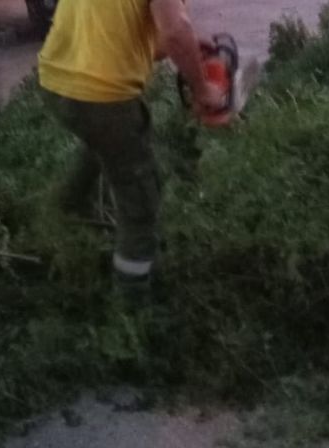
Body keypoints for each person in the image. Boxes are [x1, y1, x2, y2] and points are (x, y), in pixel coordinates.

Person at [38, 0, 224, 297]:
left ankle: (68, 211)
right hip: (102, 97)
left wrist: (187, 50)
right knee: (140, 201)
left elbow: (125, 30)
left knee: (106, 142)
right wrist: (202, 90)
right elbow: (175, 30)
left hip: (55, 82)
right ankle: (132, 301)